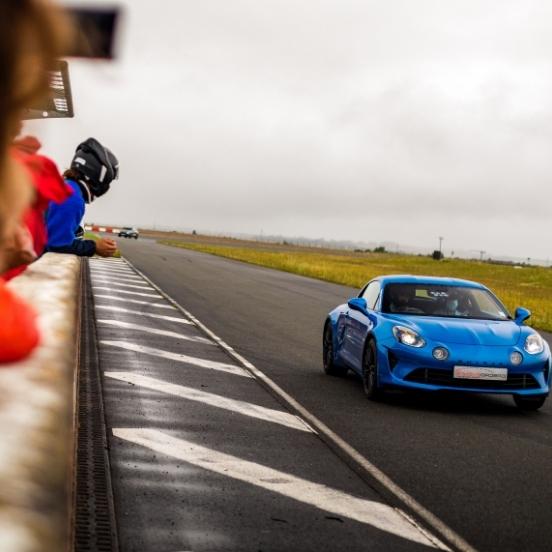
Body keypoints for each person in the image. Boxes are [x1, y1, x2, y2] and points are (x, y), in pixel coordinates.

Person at [46, 137, 119, 257]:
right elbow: (57, 244)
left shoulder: (65, 187)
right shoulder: (72, 198)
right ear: (98, 175)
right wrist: (94, 247)